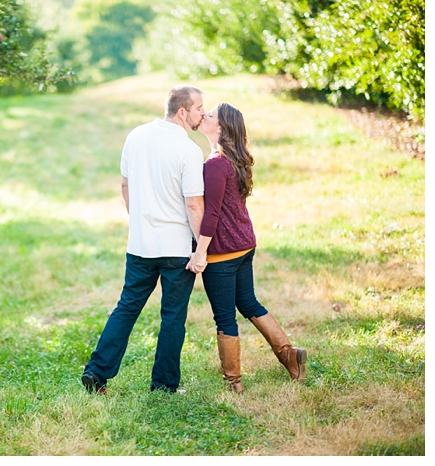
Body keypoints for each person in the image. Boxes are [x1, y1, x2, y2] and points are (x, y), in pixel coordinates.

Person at [81, 85, 206, 394]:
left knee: (127, 307)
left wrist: (138, 220)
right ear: (182, 112)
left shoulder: (136, 136)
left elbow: (125, 185)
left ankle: (96, 373)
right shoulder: (189, 150)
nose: (203, 113)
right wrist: (201, 247)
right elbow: (193, 204)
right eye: (199, 108)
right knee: (173, 316)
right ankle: (164, 385)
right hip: (177, 248)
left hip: (140, 244)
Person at [189, 102, 307, 393]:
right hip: (243, 245)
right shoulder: (232, 160)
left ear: (221, 127)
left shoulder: (216, 165)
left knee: (225, 317)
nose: (204, 115)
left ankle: (234, 382)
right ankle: (289, 355)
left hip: (224, 252)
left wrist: (201, 251)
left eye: (211, 114)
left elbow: (212, 213)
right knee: (249, 303)